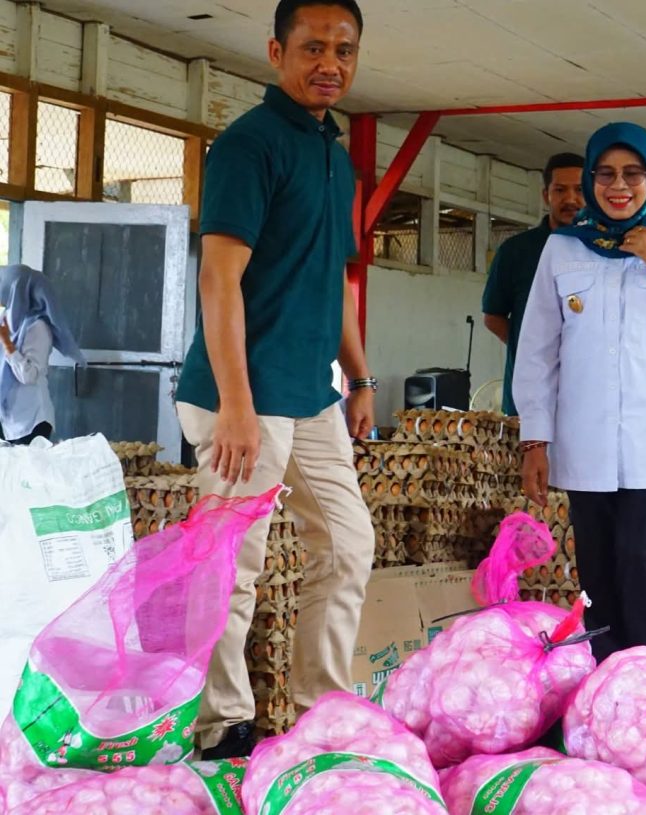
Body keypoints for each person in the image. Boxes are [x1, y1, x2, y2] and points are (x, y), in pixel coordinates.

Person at [174, 0, 374, 760]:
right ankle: (220, 720)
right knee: (232, 565)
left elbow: (334, 279)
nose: (331, 62)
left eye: (344, 50)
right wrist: (234, 405)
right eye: (314, 47)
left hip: (308, 390)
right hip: (241, 393)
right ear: (276, 51)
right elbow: (220, 281)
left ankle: (320, 705)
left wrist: (360, 376)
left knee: (350, 543)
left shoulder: (335, 154)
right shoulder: (248, 146)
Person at [514, 122, 646, 662]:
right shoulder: (563, 250)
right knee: (598, 580)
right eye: (605, 174)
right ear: (589, 180)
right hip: (584, 448)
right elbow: (537, 349)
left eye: (632, 173)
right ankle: (603, 696)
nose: (618, 185)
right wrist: (534, 441)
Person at [483, 153, 584, 416]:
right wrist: (533, 347)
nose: (570, 199)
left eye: (580, 190)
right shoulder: (516, 251)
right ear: (546, 195)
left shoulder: (605, 250)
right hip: (528, 398)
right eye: (560, 190)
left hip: (587, 398)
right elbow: (493, 316)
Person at [0, 265, 84, 445]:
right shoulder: (8, 321)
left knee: (29, 473)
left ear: (16, 290)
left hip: (32, 420)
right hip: (11, 420)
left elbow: (29, 375)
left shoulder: (37, 327)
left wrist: (7, 344)